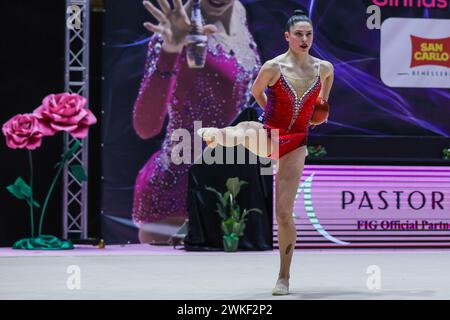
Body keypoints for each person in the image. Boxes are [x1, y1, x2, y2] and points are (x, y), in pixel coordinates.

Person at [198, 9, 334, 295]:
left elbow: (322, 105)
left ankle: (283, 277)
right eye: (298, 34)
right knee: (246, 129)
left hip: (296, 142)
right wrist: (270, 111)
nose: (304, 38)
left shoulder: (325, 69)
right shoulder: (273, 67)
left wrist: (317, 116)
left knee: (284, 214)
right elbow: (258, 92)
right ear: (287, 37)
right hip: (270, 132)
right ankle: (216, 134)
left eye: (308, 34)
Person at [132, 0, 260, 244]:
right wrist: (170, 50)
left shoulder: (238, 13)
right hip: (179, 190)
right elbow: (145, 127)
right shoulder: (175, 32)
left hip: (226, 180)